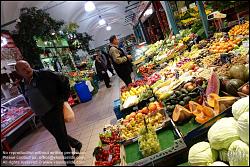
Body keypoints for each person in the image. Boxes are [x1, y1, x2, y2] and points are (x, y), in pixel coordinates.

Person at [15, 60, 82, 166]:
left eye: (27, 66)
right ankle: (76, 144)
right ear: (19, 73)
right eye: (23, 69)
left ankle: (69, 162)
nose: (27, 69)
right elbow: (27, 97)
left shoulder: (44, 74)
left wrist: (63, 98)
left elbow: (64, 80)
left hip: (54, 110)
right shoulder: (22, 84)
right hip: (42, 115)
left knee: (61, 139)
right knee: (58, 135)